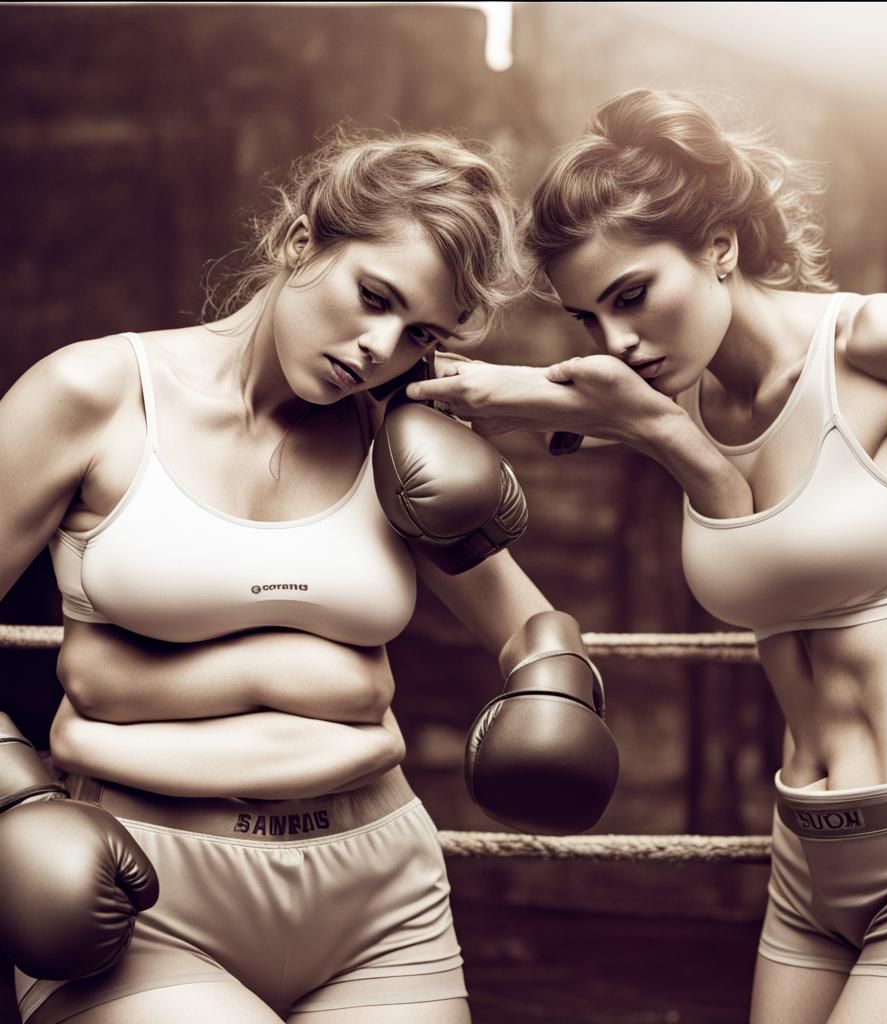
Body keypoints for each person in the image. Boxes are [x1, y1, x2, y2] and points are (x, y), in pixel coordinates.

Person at [407, 88, 887, 1024]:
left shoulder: (881, 343)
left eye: (633, 296)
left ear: (722, 248)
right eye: (588, 319)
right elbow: (538, 396)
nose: (618, 343)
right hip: (807, 863)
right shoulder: (671, 395)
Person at [0, 126, 615, 1024]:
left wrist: (555, 688)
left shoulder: (400, 443)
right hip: (143, 890)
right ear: (299, 241)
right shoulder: (93, 394)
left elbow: (530, 627)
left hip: (379, 895)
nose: (379, 347)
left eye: (418, 335)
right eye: (374, 296)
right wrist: (15, 795)